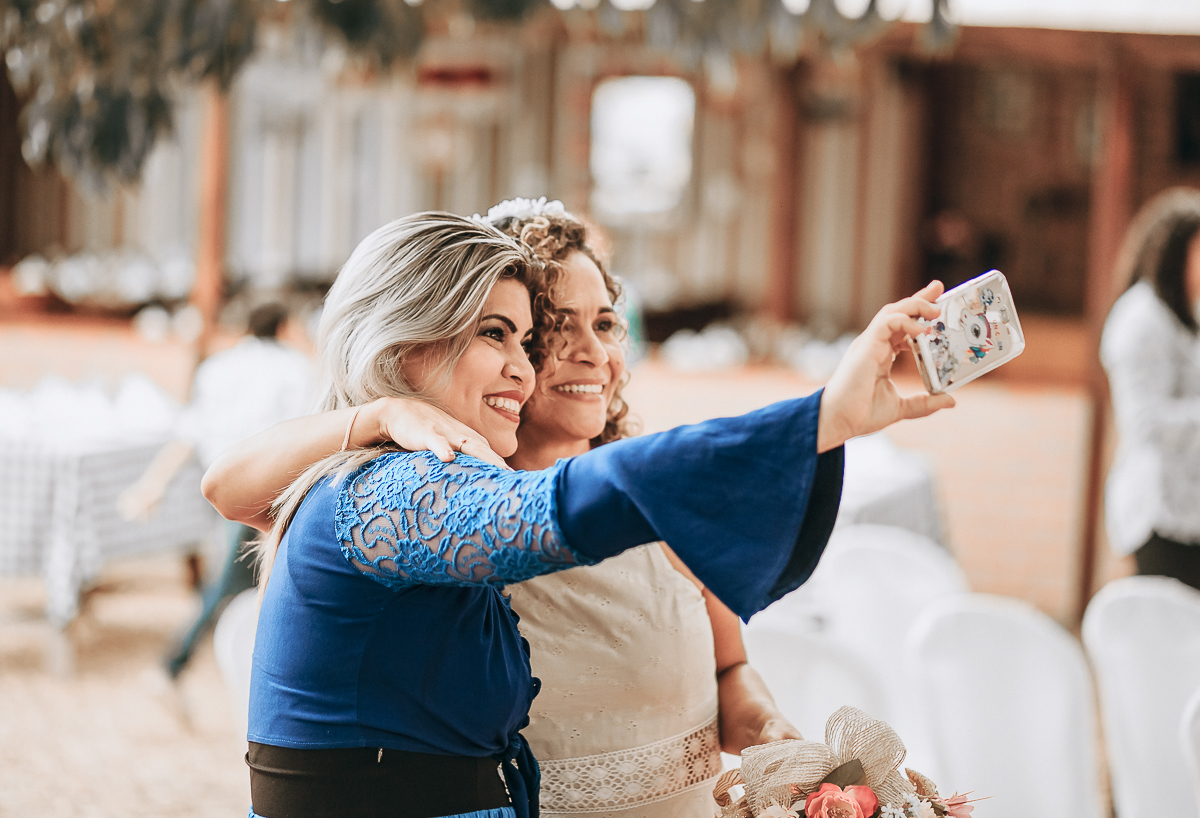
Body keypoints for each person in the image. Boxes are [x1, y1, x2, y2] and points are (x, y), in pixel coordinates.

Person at [218, 211, 952, 818]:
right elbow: (230, 487)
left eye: (524, 338)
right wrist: (822, 417)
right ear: (407, 341)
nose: (533, 364)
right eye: (506, 335)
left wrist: (785, 754)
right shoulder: (395, 493)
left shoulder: (426, 489)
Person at [118, 300, 313, 677]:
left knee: (241, 582)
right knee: (235, 584)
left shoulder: (219, 368)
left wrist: (153, 483)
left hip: (221, 488)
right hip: (267, 493)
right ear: (285, 327)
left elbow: (189, 433)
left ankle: (188, 664)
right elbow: (307, 429)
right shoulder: (295, 370)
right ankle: (173, 664)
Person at [1101, 187, 1200, 590]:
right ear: (1175, 254)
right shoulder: (1141, 319)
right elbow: (1143, 422)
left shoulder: (1186, 311)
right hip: (1162, 513)